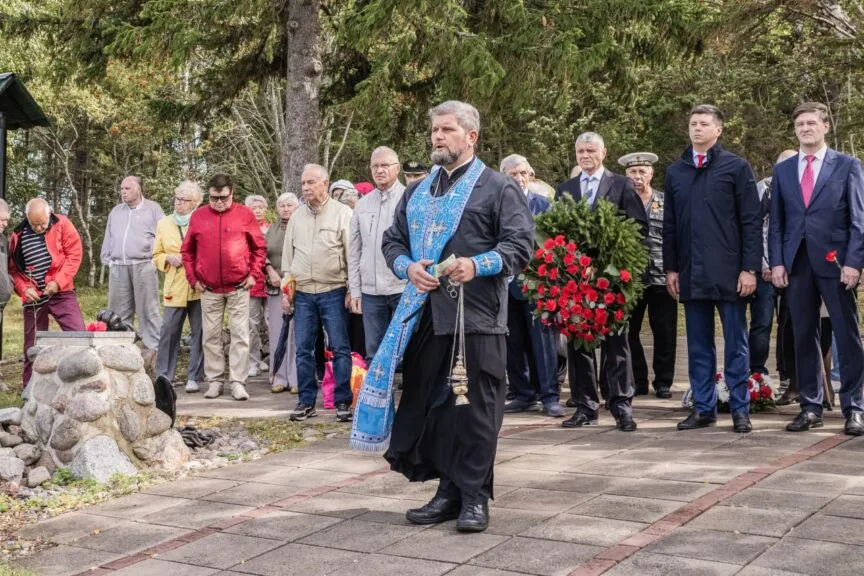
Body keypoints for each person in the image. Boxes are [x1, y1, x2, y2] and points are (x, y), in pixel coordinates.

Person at [352, 100, 534, 533]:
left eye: (447, 130)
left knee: (476, 409)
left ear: (471, 136)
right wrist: (407, 268)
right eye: (434, 130)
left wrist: (477, 264)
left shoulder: (496, 187)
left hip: (477, 317)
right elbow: (393, 241)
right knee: (436, 406)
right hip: (425, 315)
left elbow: (521, 246)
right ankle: (448, 492)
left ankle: (474, 497)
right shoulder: (417, 191)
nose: (437, 137)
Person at [664, 104, 762, 434]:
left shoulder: (736, 167)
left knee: (736, 343)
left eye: (704, 124)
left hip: (731, 273)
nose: (697, 129)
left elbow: (750, 221)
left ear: (718, 130)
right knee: (698, 344)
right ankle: (704, 408)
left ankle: (739, 409)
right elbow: (671, 225)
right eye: (693, 123)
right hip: (692, 272)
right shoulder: (676, 171)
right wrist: (671, 268)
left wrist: (749, 268)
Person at [769, 102, 864, 436]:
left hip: (836, 264)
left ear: (826, 126)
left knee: (846, 334)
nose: (805, 128)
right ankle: (810, 406)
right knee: (803, 334)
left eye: (811, 123)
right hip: (796, 263)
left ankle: (854, 407)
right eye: (800, 124)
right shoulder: (783, 170)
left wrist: (854, 262)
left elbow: (858, 220)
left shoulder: (848, 166)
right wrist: (777, 261)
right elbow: (777, 222)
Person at [556, 132, 647, 432]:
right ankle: (585, 405)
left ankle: (621, 404)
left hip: (611, 278)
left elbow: (639, 228)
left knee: (617, 343)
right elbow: (556, 232)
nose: (585, 155)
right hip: (576, 279)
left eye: (591, 150)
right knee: (578, 344)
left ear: (604, 152)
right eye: (580, 150)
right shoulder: (566, 188)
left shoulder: (621, 185)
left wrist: (613, 262)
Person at [181, 174, 266, 401]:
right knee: (211, 336)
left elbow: (259, 248)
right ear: (208, 195)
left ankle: (238, 381)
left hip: (238, 285)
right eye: (214, 197)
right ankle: (215, 380)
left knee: (240, 334)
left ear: (232, 193)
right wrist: (193, 279)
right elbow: (187, 251)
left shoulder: (245, 214)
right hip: (208, 288)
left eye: (224, 198)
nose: (219, 202)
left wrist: (253, 275)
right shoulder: (198, 216)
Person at [282, 164, 354, 422]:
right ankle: (305, 401)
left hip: (333, 289)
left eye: (311, 182)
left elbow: (351, 254)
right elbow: (288, 259)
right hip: (302, 293)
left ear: (325, 183)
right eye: (303, 183)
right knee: (303, 349)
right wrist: (286, 290)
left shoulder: (342, 213)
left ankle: (342, 401)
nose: (306, 187)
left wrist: (351, 289)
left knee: (339, 347)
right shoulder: (297, 217)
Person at [499, 154, 564, 417]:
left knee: (543, 343)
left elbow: (555, 244)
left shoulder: (543, 205)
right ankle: (522, 392)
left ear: (531, 175)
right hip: (505, 283)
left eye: (523, 172)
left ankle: (549, 395)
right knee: (512, 342)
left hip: (537, 285)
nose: (519, 178)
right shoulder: (496, 203)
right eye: (513, 174)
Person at [618, 152, 678, 399]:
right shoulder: (620, 202)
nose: (637, 176)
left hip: (661, 276)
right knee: (629, 331)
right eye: (633, 172)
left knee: (664, 330)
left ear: (652, 174)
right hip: (631, 277)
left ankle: (663, 381)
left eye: (642, 171)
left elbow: (676, 237)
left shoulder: (666, 202)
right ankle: (639, 379)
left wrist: (676, 270)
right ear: (626, 175)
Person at [9, 199, 85, 386]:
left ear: (49, 213)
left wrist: (58, 282)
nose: (39, 228)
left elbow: (74, 255)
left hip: (62, 293)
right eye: (34, 224)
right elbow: (14, 271)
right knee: (32, 346)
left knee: (79, 336)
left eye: (42, 223)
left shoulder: (62, 223)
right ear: (27, 218)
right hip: (34, 298)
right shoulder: (17, 235)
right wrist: (24, 289)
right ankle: (29, 391)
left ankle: (83, 382)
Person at [349, 146, 407, 364]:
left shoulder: (408, 198)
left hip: (401, 287)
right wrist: (354, 290)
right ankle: (379, 398)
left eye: (385, 165)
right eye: (375, 166)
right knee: (374, 351)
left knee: (405, 350)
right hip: (370, 291)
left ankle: (410, 398)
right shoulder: (363, 204)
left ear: (397, 168)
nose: (379, 170)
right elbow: (354, 250)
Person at [101, 176, 165, 358]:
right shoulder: (116, 211)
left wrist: (156, 259)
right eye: (122, 188)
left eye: (127, 188)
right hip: (119, 266)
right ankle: (120, 346)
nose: (123, 191)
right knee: (117, 309)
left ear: (139, 189)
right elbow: (109, 236)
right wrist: (107, 258)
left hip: (144, 264)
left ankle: (154, 349)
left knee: (148, 309)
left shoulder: (153, 209)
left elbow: (163, 235)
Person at [152, 181, 205, 393]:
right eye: (177, 198)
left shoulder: (201, 221)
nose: (179, 203)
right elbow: (155, 255)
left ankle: (194, 376)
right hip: (174, 285)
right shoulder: (164, 223)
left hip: (198, 285)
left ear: (196, 203)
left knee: (199, 332)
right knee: (169, 332)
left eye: (184, 200)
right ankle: (164, 376)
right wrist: (167, 258)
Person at [264, 192, 300, 394]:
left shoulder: (302, 224)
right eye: (282, 205)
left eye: (289, 205)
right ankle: (278, 376)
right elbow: (262, 253)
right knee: (277, 332)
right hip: (275, 286)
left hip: (298, 286)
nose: (286, 208)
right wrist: (269, 270)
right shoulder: (272, 229)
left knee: (297, 333)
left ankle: (296, 377)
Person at [245, 194, 270, 377]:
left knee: (272, 323)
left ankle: (275, 360)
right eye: (254, 208)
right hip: (251, 283)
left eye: (261, 207)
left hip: (271, 284)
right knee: (251, 325)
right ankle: (252, 361)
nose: (258, 210)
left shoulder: (273, 229)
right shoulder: (244, 229)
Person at [0, 200, 12, 315]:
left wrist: (8, 284)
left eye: (6, 220)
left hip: (1, 304)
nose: (5, 224)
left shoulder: (3, 240)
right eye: (2, 219)